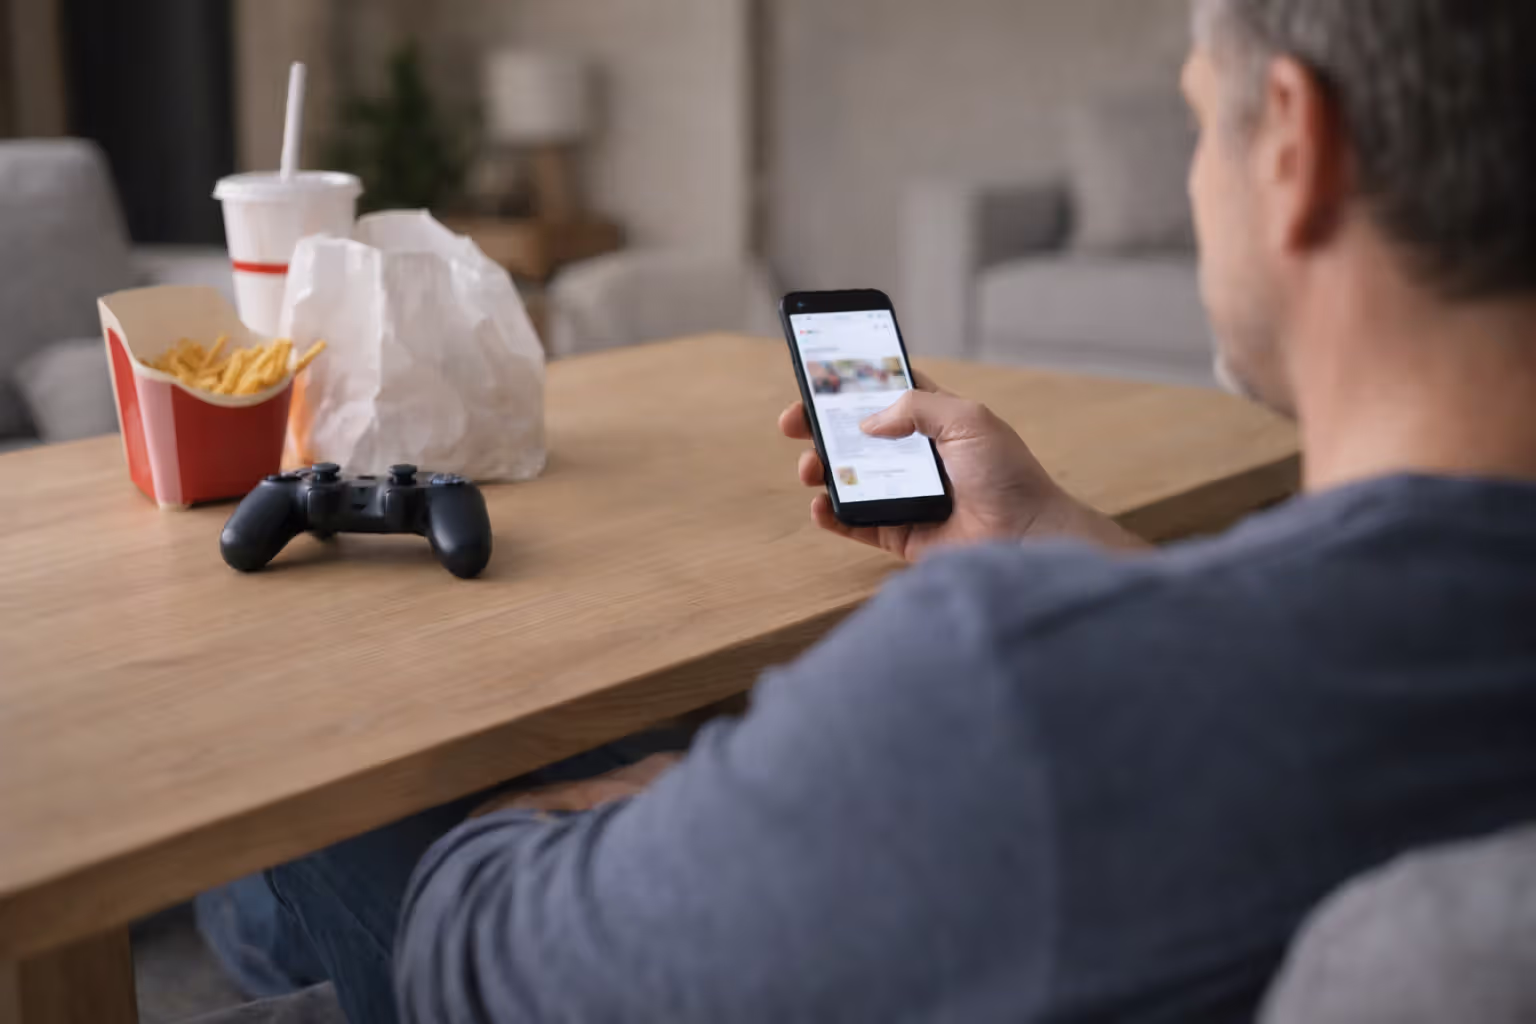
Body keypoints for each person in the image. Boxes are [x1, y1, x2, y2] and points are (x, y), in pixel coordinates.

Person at [206, 0, 1536, 1020]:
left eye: (1200, 124)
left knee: (328, 761)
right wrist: (1056, 539)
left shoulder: (1010, 698)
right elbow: (1288, 677)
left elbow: (477, 958)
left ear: (1294, 146)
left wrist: (683, 800)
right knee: (270, 905)